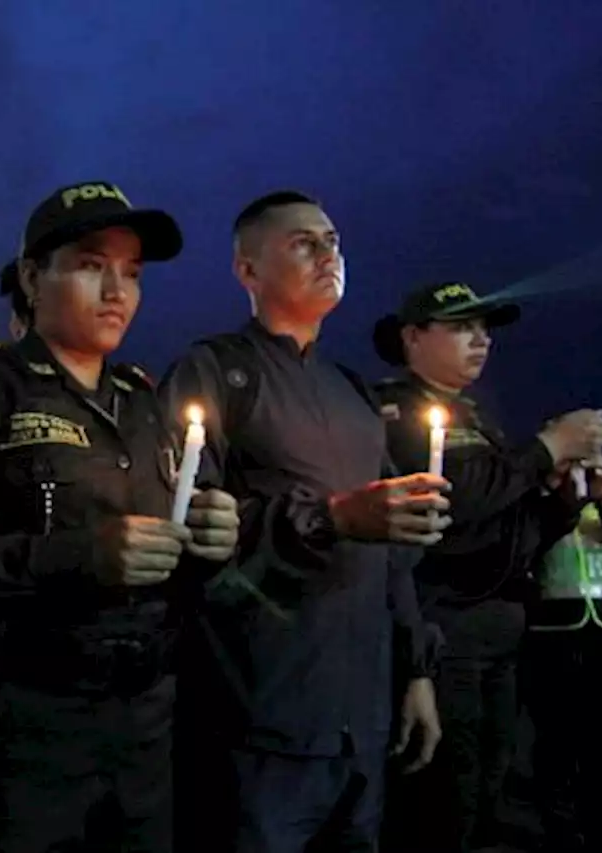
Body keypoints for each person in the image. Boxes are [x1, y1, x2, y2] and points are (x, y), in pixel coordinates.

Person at [0, 181, 240, 852]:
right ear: (33, 277)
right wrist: (81, 556)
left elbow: (178, 547)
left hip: (143, 726)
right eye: (92, 264)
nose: (117, 290)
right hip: (19, 731)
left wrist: (211, 537)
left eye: (132, 273)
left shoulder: (145, 403)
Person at [160, 190, 446, 853]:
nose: (328, 253)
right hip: (260, 720)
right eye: (303, 243)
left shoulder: (352, 391)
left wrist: (417, 670)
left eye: (333, 240)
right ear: (247, 270)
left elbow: (392, 552)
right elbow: (187, 530)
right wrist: (333, 517)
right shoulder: (216, 371)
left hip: (362, 723)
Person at [371, 281, 602, 853]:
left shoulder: (477, 418)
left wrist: (564, 500)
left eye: (484, 329)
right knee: (443, 799)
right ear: (412, 337)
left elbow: (511, 534)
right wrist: (549, 446)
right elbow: (459, 502)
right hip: (444, 626)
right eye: (460, 326)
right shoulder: (402, 409)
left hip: (498, 631)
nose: (480, 339)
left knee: (488, 791)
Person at [526, 470, 602, 853]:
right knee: (557, 737)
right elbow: (531, 545)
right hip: (557, 630)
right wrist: (571, 498)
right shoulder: (541, 507)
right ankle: (559, 831)